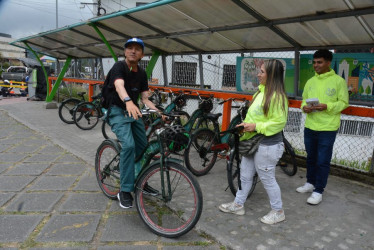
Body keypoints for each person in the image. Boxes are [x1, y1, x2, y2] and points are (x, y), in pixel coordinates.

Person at [219, 59, 289, 225]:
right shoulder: (260, 93)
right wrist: (245, 126)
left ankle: (278, 211)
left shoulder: (278, 97)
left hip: (268, 144)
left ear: (271, 75)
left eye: (262, 72)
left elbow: (279, 122)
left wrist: (255, 126)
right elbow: (256, 116)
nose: (258, 74)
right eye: (259, 71)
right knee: (244, 174)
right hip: (252, 142)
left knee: (267, 178)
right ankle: (238, 205)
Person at [106, 38, 161, 209]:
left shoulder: (142, 73)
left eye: (137, 49)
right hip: (116, 109)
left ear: (142, 54)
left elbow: (145, 98)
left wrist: (160, 112)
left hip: (133, 111)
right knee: (129, 146)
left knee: (144, 147)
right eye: (129, 48)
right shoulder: (119, 67)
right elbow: (119, 85)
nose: (133, 51)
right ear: (125, 52)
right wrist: (129, 101)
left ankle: (140, 181)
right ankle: (124, 190)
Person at [296, 49, 349, 205]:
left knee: (323, 160)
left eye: (319, 62)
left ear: (328, 63)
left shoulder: (338, 81)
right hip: (310, 126)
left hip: (328, 128)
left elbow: (344, 103)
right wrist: (304, 108)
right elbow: (304, 101)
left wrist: (327, 106)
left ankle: (318, 190)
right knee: (311, 157)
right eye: (314, 62)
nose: (316, 65)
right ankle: (310, 183)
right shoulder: (310, 81)